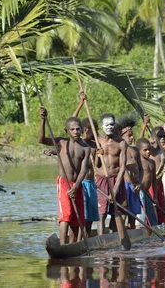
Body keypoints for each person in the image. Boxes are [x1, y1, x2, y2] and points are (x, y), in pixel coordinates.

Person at [38, 108, 90, 244]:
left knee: (76, 218)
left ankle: (72, 245)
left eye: (78, 129)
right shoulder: (61, 143)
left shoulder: (85, 147)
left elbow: (84, 169)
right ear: (67, 131)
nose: (75, 132)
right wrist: (43, 120)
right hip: (64, 183)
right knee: (65, 215)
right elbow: (41, 139)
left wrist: (77, 185)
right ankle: (62, 245)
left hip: (77, 184)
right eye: (72, 129)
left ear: (82, 130)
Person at [71, 93, 99, 235]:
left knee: (92, 214)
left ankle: (88, 235)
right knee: (82, 213)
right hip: (81, 183)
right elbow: (72, 120)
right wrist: (81, 103)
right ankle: (80, 237)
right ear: (86, 130)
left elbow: (98, 165)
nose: (95, 135)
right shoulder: (79, 143)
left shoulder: (95, 146)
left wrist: (99, 155)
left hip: (92, 183)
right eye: (93, 132)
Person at [95, 113, 128, 235]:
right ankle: (101, 240)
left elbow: (122, 166)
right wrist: (97, 154)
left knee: (119, 210)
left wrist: (115, 188)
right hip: (102, 179)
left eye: (111, 124)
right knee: (101, 213)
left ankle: (115, 235)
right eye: (106, 125)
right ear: (102, 126)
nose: (109, 127)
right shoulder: (97, 139)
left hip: (116, 178)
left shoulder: (121, 143)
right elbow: (95, 163)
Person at [117, 114, 143, 229]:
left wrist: (139, 183)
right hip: (125, 185)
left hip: (136, 186)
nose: (132, 138)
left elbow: (141, 169)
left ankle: (133, 230)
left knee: (134, 213)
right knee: (124, 210)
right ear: (121, 136)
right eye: (129, 135)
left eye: (132, 135)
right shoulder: (119, 150)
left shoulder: (135, 150)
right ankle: (121, 231)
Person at [141, 116, 165, 223]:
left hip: (159, 185)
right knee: (151, 210)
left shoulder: (163, 152)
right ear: (153, 138)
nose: (162, 138)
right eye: (159, 136)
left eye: (164, 136)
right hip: (150, 186)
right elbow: (140, 141)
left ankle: (162, 226)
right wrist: (144, 125)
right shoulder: (151, 150)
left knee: (161, 209)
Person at [136, 137, 158, 227]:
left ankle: (155, 232)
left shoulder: (152, 162)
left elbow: (154, 181)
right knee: (142, 217)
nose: (148, 152)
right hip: (140, 192)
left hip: (147, 193)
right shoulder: (138, 162)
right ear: (139, 150)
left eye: (149, 149)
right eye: (145, 150)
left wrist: (155, 197)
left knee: (153, 217)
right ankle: (139, 231)